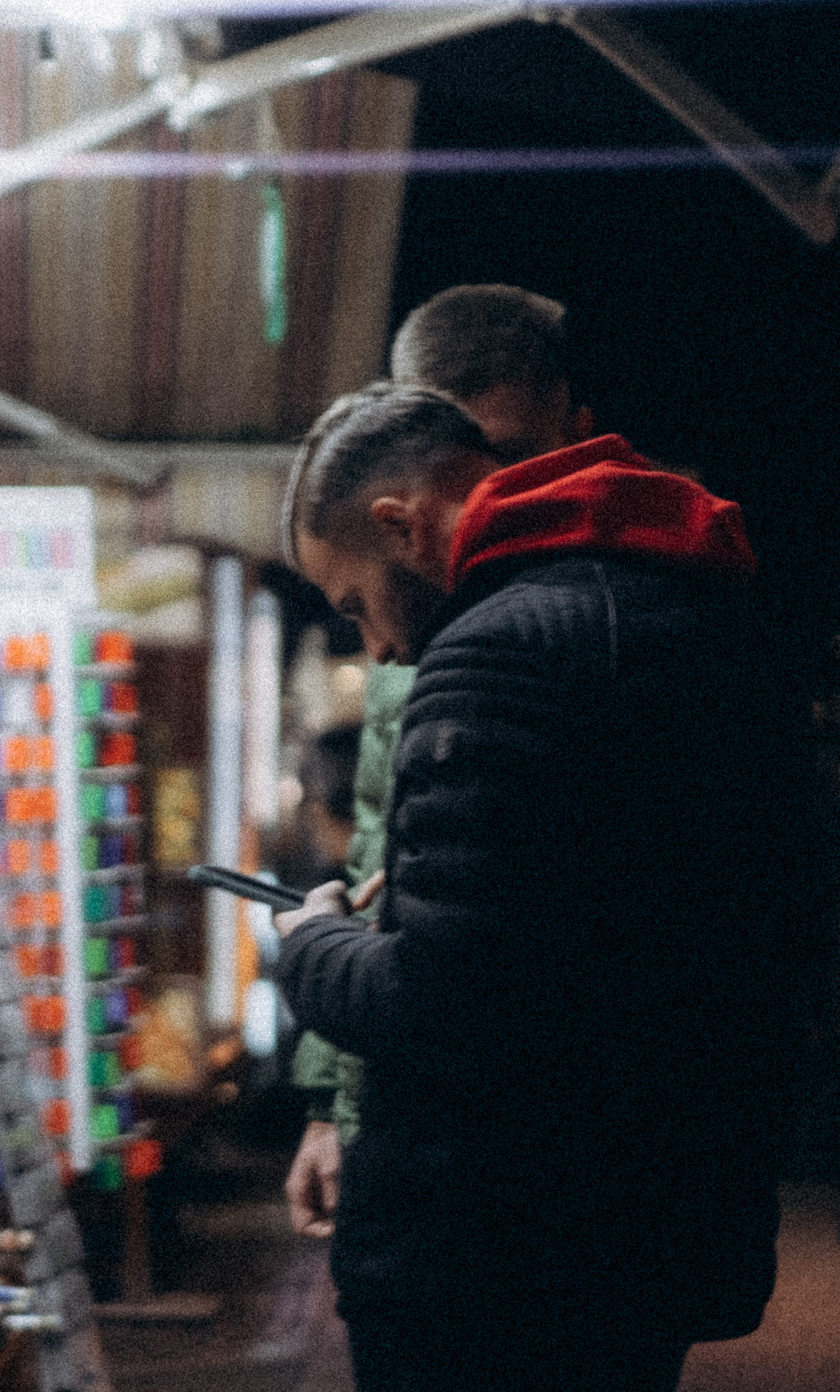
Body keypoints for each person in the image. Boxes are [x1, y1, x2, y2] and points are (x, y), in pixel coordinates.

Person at [274, 383, 806, 1392]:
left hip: (487, 1252)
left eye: (354, 605)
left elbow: (446, 997)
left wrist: (312, 946)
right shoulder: (707, 614)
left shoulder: (496, 653)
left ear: (402, 522)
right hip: (649, 1228)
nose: (376, 648)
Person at [285, 284, 595, 1241]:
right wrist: (332, 1109)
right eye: (470, 459)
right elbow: (381, 850)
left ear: (576, 427)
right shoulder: (412, 626)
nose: (489, 494)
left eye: (512, 457)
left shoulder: (590, 594)